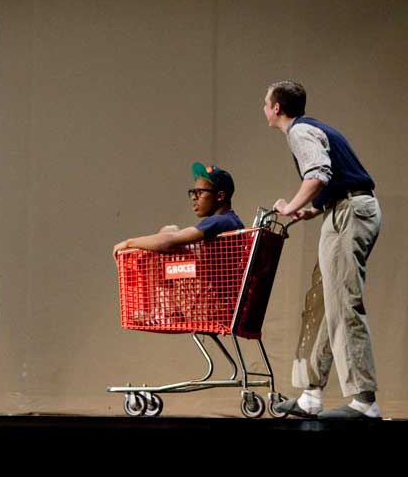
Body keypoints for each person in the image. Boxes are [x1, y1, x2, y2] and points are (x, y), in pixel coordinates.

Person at [265, 81, 383, 420]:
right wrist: (313, 209)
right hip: (341, 209)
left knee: (344, 302)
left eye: (266, 103)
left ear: (276, 108)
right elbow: (336, 177)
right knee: (324, 302)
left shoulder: (299, 131)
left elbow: (318, 174)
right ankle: (311, 394)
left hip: (350, 213)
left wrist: (290, 207)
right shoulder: (316, 128)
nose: (264, 109)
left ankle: (365, 401)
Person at [112, 162, 244, 258]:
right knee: (170, 230)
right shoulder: (230, 221)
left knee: (169, 233)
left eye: (200, 192)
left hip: (226, 290)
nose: (194, 197)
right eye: (193, 192)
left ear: (220, 196)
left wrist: (129, 243)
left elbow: (167, 242)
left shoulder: (221, 221)